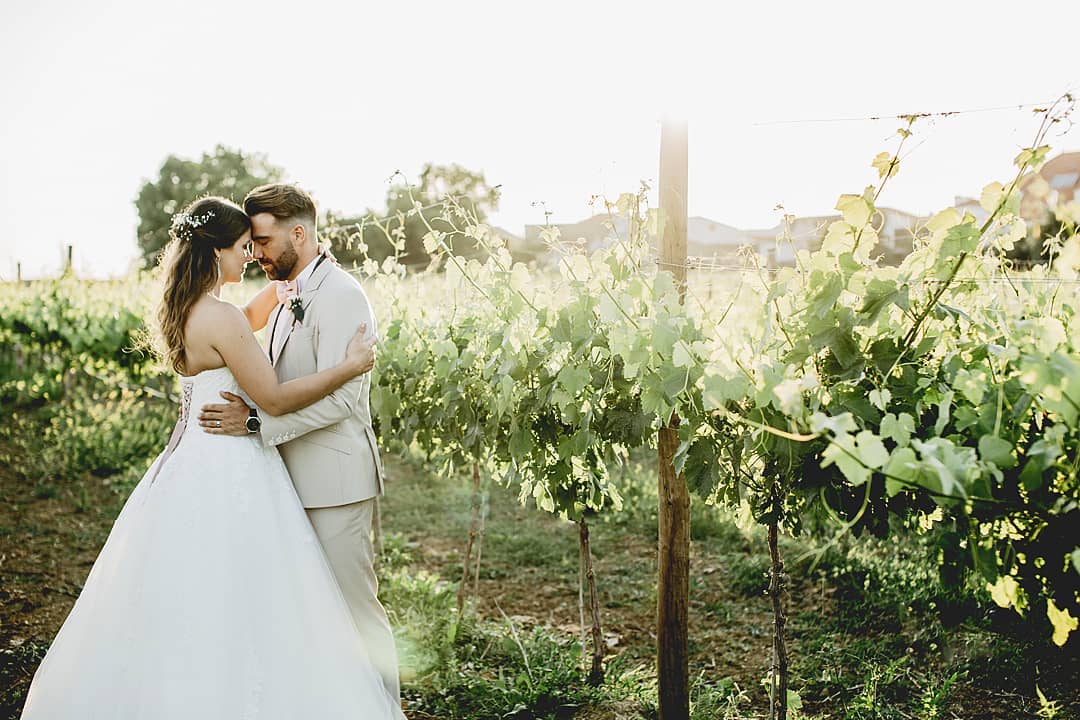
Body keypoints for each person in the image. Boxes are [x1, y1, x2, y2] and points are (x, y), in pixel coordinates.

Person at [19, 196, 404, 719]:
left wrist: (291, 283)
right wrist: (350, 366)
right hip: (233, 466)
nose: (250, 256)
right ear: (216, 251)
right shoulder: (221, 317)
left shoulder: (185, 308)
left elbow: (247, 319)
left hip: (189, 466)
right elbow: (270, 398)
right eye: (244, 247)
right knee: (254, 586)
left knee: (199, 590)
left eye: (258, 244)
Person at [196, 183, 400, 702]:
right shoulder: (289, 292)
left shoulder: (341, 295)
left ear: (300, 233)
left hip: (334, 482)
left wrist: (256, 424)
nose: (256, 252)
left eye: (262, 241)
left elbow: (343, 401)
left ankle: (384, 708)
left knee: (355, 612)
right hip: (287, 480)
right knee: (309, 613)